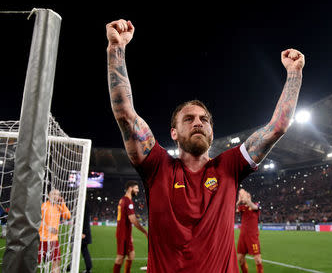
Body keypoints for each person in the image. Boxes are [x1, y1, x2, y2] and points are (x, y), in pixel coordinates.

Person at [106, 19, 305, 272]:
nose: (198, 123)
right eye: (189, 119)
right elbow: (125, 114)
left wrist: (294, 74)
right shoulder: (157, 166)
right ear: (174, 133)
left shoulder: (230, 166)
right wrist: (116, 47)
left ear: (212, 131)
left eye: (204, 119)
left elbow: (277, 127)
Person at [113, 180, 148, 273]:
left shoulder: (123, 199)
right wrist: (144, 231)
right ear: (130, 188)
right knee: (120, 257)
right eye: (136, 188)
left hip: (125, 234)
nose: (138, 190)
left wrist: (130, 235)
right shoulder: (128, 201)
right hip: (123, 234)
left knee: (131, 255)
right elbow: (133, 219)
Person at [38, 189, 71, 273]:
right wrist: (48, 228)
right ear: (49, 195)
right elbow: (37, 220)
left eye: (57, 194)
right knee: (35, 263)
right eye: (53, 194)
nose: (55, 196)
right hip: (42, 239)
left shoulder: (58, 207)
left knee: (56, 263)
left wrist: (63, 204)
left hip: (54, 240)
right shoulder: (44, 206)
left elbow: (68, 216)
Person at [236, 189, 263, 273]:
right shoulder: (242, 208)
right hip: (243, 236)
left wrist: (246, 197)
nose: (242, 196)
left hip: (252, 236)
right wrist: (238, 201)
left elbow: (253, 206)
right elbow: (235, 209)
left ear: (249, 196)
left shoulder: (255, 205)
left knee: (257, 259)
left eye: (244, 195)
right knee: (240, 259)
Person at [81, 201, 93, 273]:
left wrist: (83, 233)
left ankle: (88, 268)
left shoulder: (84, 205)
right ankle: (89, 268)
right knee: (83, 250)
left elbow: (85, 220)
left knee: (84, 250)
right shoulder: (86, 205)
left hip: (84, 233)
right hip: (84, 232)